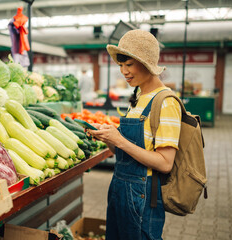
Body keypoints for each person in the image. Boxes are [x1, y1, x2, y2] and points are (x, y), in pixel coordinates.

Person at [88, 29, 182, 240]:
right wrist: (109, 139)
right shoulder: (140, 97)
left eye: (129, 65)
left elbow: (165, 163)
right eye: (121, 65)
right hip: (120, 188)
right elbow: (126, 149)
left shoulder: (165, 102)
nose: (124, 71)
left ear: (147, 63)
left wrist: (120, 140)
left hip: (143, 194)